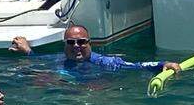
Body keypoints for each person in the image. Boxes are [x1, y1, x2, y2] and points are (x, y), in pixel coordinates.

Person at [9, 24, 182, 73]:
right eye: (71, 42)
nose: (76, 46)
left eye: (81, 42)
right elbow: (37, 61)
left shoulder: (105, 62)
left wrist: (162, 64)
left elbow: (135, 66)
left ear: (90, 43)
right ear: (65, 45)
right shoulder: (58, 60)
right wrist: (28, 50)